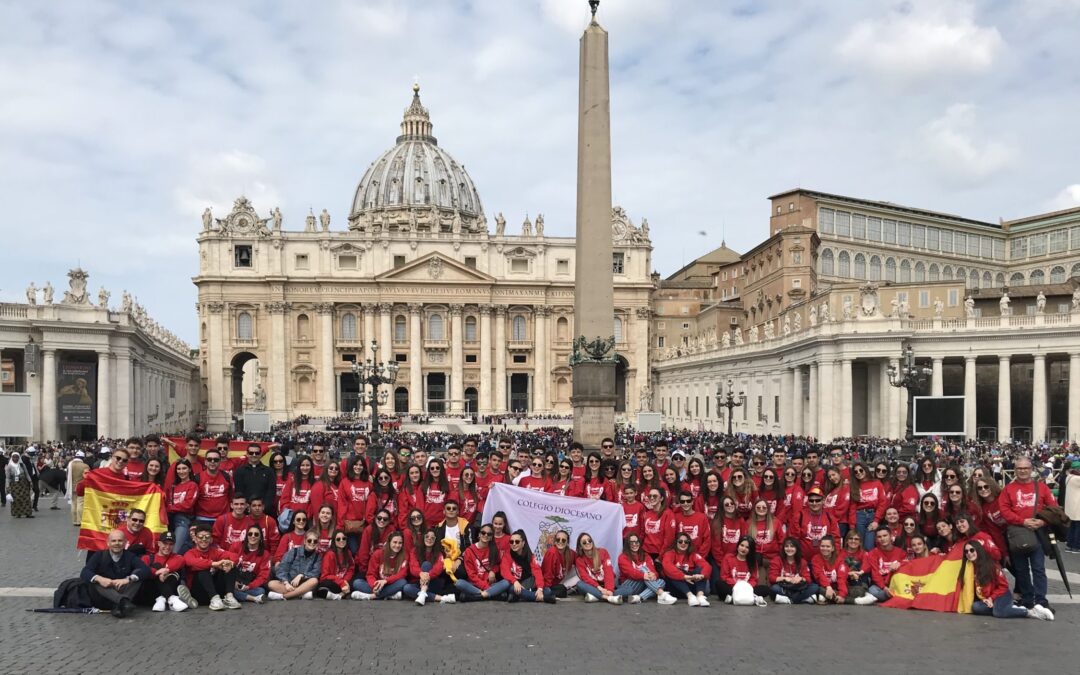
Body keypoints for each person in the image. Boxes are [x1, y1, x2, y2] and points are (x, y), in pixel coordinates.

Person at [999, 456, 1058, 616]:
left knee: (1039, 568)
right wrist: (1023, 521)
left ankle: (1041, 600)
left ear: (1031, 469)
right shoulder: (1008, 490)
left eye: (1025, 468)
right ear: (1015, 470)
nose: (1022, 471)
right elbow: (1004, 511)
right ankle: (1027, 600)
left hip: (1038, 533)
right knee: (1021, 570)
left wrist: (1042, 523)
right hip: (1018, 533)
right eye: (1019, 468)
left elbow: (1054, 508)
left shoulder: (1042, 488)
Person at [964, 540, 1053, 620]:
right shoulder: (968, 568)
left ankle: (1030, 612)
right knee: (976, 607)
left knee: (998, 613)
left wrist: (991, 598)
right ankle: (1010, 609)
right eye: (966, 551)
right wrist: (986, 599)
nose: (969, 553)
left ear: (978, 551)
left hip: (1001, 594)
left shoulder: (992, 565)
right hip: (987, 598)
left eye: (972, 550)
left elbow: (1003, 586)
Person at [81, 529, 151, 618]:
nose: (117, 543)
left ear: (125, 543)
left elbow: (145, 569)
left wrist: (127, 579)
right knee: (95, 582)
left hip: (121, 589)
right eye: (113, 541)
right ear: (108, 543)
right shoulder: (99, 555)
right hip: (104, 594)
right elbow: (85, 572)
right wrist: (100, 579)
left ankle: (119, 605)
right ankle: (123, 601)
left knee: (137, 577)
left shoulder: (130, 556)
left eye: (120, 540)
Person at [183, 524, 241, 610]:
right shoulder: (190, 553)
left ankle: (229, 597)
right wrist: (215, 564)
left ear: (211, 539)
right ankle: (214, 598)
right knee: (203, 570)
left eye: (207, 537)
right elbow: (191, 562)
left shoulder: (215, 552)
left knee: (230, 566)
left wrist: (230, 563)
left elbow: (234, 556)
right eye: (200, 537)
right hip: (199, 592)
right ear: (195, 539)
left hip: (217, 591)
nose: (204, 539)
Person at [616, 533, 677, 604]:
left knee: (661, 582)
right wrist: (643, 575)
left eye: (636, 542)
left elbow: (653, 570)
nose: (634, 544)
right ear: (627, 544)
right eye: (631, 542)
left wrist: (654, 575)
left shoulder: (646, 555)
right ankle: (662, 594)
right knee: (643, 569)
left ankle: (638, 598)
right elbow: (630, 573)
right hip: (629, 585)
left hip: (643, 583)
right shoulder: (622, 557)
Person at [456, 524, 511, 600]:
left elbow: (498, 564)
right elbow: (471, 575)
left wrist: (493, 571)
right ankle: (491, 594)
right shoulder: (469, 551)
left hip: (491, 584)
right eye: (483, 533)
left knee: (507, 582)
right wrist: (486, 588)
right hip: (475, 584)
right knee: (459, 583)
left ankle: (477, 596)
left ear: (492, 537)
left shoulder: (494, 548)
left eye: (489, 534)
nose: (486, 535)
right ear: (479, 534)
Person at [351, 531, 408, 600]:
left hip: (391, 584)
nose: (397, 545)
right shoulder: (378, 554)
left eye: (400, 543)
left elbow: (402, 574)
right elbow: (370, 574)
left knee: (403, 582)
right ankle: (389, 595)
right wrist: (374, 586)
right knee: (357, 583)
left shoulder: (404, 556)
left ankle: (371, 596)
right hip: (378, 584)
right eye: (395, 542)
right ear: (389, 542)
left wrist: (386, 581)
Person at [500, 530, 555, 603]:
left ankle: (521, 596)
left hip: (528, 584)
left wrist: (540, 589)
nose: (514, 544)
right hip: (514, 584)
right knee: (513, 589)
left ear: (523, 543)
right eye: (511, 542)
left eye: (517, 542)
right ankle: (543, 598)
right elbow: (505, 572)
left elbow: (537, 572)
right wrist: (515, 581)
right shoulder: (507, 555)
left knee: (547, 590)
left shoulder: (530, 556)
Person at [139, 532, 188, 612]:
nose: (167, 547)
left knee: (174, 574)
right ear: (159, 543)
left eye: (171, 544)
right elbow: (143, 569)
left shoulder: (177, 557)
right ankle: (172, 599)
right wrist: (156, 572)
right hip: (151, 594)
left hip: (170, 585)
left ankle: (162, 598)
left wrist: (166, 570)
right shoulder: (147, 558)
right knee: (156, 566)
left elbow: (181, 561)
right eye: (165, 543)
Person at [405, 529, 455, 605]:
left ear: (435, 540)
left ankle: (423, 592)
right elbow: (413, 566)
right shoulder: (415, 551)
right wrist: (420, 573)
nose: (429, 539)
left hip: (433, 582)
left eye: (432, 538)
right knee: (407, 588)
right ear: (423, 538)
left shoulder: (439, 553)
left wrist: (427, 576)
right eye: (427, 536)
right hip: (418, 581)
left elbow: (438, 568)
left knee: (426, 565)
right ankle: (442, 598)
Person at [268, 530, 322, 600]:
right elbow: (282, 569)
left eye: (315, 541)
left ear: (317, 543)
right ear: (305, 541)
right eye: (309, 540)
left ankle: (284, 596)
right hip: (290, 584)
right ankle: (301, 595)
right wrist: (286, 583)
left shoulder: (318, 556)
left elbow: (315, 573)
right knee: (271, 584)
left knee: (314, 581)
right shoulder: (294, 552)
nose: (312, 543)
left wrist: (301, 575)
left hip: (305, 584)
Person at [661, 533, 711, 607]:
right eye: (680, 541)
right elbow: (667, 567)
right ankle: (690, 596)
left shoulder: (693, 554)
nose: (683, 543)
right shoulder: (669, 553)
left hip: (691, 584)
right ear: (676, 543)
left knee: (699, 570)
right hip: (676, 587)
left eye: (686, 542)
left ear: (689, 543)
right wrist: (684, 577)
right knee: (673, 572)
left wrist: (702, 575)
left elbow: (707, 566)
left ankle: (700, 596)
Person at [716, 536, 768, 606]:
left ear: (751, 550)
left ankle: (733, 599)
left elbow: (754, 579)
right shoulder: (728, 557)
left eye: (747, 547)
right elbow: (724, 577)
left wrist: (745, 586)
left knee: (765, 589)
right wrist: (738, 584)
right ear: (738, 546)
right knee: (719, 584)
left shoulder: (753, 561)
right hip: (733, 587)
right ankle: (750, 598)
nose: (743, 549)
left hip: (747, 588)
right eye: (742, 545)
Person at [574, 533, 623, 604]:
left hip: (606, 586)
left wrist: (609, 590)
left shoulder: (603, 552)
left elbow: (608, 571)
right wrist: (599, 588)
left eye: (589, 540)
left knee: (628, 589)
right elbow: (585, 578)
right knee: (580, 584)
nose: (587, 543)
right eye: (584, 542)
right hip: (593, 587)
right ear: (580, 546)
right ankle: (608, 598)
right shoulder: (579, 560)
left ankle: (596, 597)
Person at [861, 527, 905, 604]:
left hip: (896, 584)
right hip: (881, 586)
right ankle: (894, 596)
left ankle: (891, 596)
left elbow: (908, 565)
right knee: (872, 590)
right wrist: (884, 588)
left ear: (891, 536)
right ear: (876, 539)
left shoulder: (901, 552)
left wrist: (900, 564)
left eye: (885, 535)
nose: (882, 538)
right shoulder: (873, 553)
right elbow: (875, 574)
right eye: (879, 537)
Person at [769, 537, 820, 604]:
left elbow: (808, 579)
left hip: (798, 588)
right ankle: (800, 599)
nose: (789, 549)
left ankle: (790, 600)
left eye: (792, 546)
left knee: (815, 587)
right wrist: (785, 578)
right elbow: (772, 578)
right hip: (784, 588)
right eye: (787, 546)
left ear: (797, 548)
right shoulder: (776, 560)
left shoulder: (803, 561)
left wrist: (801, 578)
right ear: (783, 548)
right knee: (774, 588)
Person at [232, 526, 271, 603]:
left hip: (248, 584)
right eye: (250, 534)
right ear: (247, 536)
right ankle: (254, 598)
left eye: (256, 534)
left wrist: (249, 586)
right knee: (228, 588)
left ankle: (238, 595)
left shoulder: (265, 554)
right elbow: (228, 563)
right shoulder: (236, 546)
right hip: (233, 581)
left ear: (260, 538)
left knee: (261, 591)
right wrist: (233, 582)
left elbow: (263, 576)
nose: (253, 536)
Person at [194, 449, 232, 527]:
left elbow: (231, 496)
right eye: (209, 459)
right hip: (202, 518)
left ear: (220, 462)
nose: (212, 462)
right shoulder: (197, 478)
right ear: (205, 462)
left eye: (216, 460)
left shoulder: (227, 477)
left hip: (223, 518)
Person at [233, 443, 276, 511]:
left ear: (261, 454)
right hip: (246, 510)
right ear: (247, 454)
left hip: (264, 510)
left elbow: (271, 492)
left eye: (257, 453)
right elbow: (239, 491)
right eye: (251, 453)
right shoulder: (239, 471)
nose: (254, 455)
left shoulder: (269, 471)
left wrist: (264, 507)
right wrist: (246, 507)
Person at [316, 530, 355, 600]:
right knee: (325, 584)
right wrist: (341, 582)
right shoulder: (329, 554)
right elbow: (325, 576)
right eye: (338, 539)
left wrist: (345, 580)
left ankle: (339, 594)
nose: (341, 540)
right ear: (334, 541)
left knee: (356, 583)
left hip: (345, 580)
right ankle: (342, 594)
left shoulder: (348, 552)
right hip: (334, 581)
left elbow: (351, 568)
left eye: (344, 538)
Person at [811, 535, 847, 604]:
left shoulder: (840, 560)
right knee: (816, 588)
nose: (825, 548)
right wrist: (828, 587)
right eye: (822, 546)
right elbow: (819, 575)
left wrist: (842, 594)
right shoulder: (815, 559)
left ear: (833, 548)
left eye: (828, 546)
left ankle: (834, 598)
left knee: (858, 590)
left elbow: (841, 578)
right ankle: (850, 600)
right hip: (823, 587)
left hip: (837, 587)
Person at [5, 451, 34, 518]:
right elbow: (7, 478)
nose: (15, 458)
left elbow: (26, 474)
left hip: (23, 484)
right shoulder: (9, 466)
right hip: (15, 485)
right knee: (16, 499)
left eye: (17, 457)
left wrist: (30, 481)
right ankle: (18, 513)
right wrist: (7, 486)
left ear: (19, 458)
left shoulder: (22, 464)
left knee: (26, 499)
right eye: (14, 457)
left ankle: (28, 513)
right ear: (11, 458)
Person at [66, 450, 90, 526]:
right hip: (81, 486)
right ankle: (80, 520)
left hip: (71, 486)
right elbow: (87, 476)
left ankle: (74, 520)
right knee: (80, 503)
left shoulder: (70, 464)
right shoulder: (85, 466)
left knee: (73, 503)